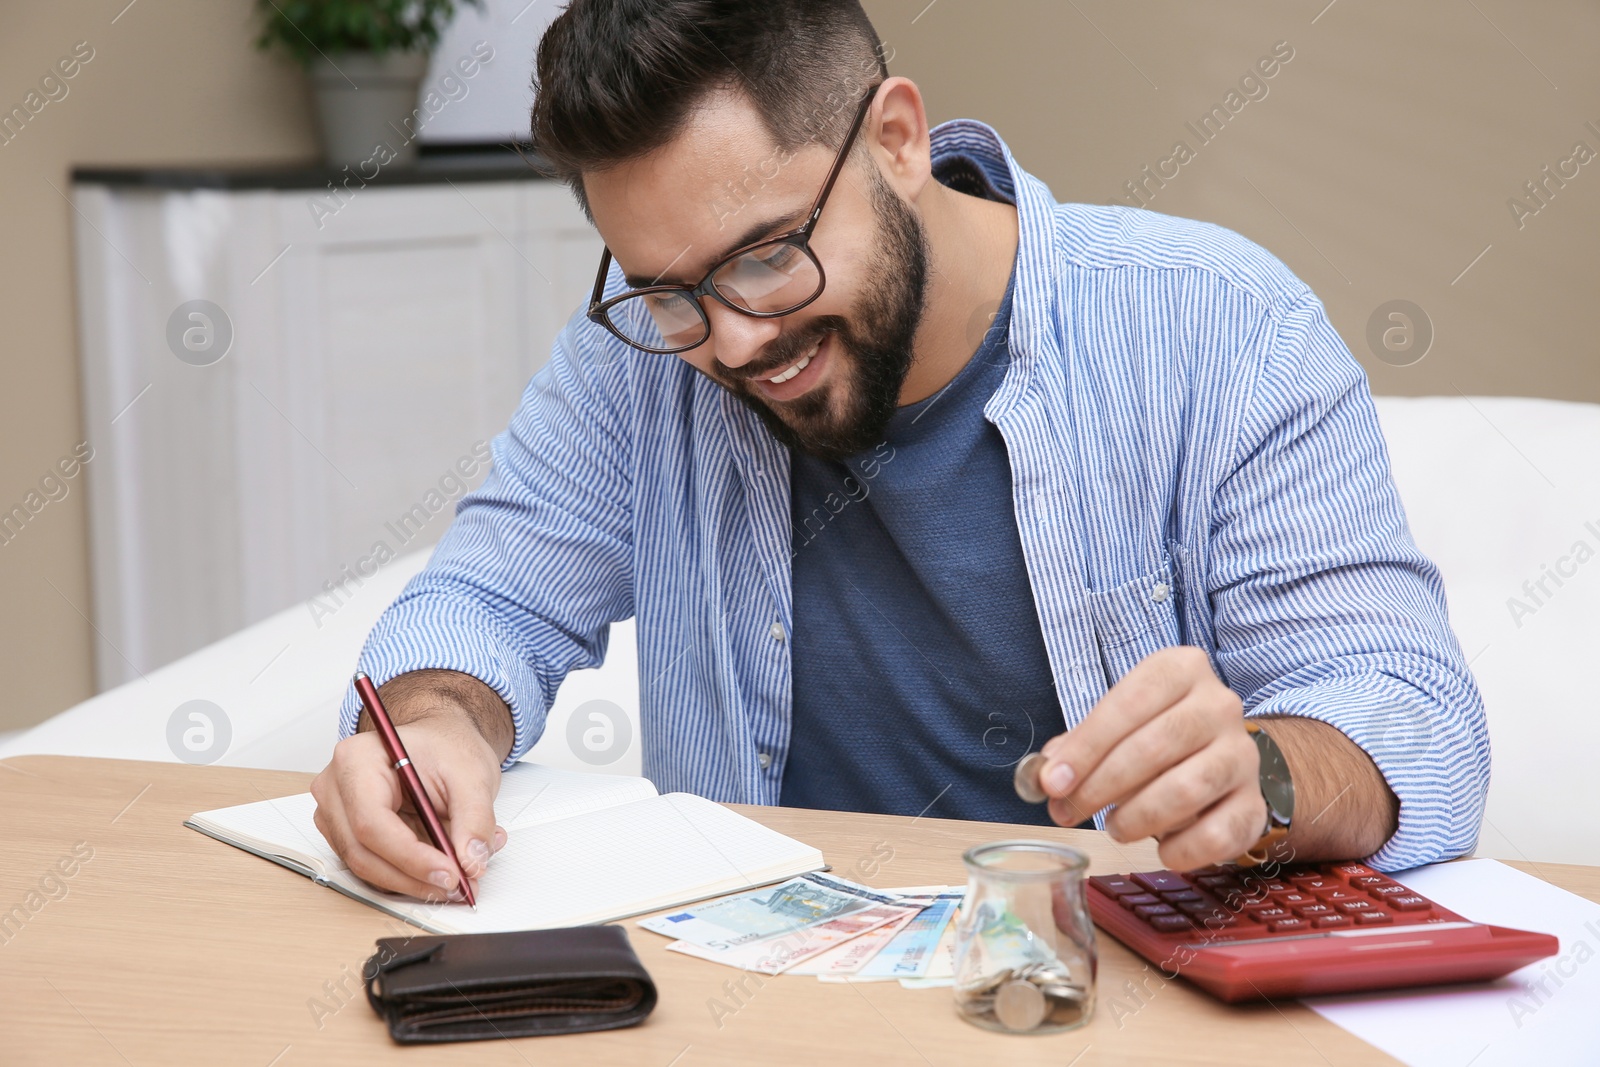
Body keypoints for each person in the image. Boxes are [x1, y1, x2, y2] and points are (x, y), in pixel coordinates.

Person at [310, 0, 1488, 904]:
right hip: (754, 1001)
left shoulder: (1224, 328)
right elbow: (485, 601)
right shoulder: (635, 355)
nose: (732, 339)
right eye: (666, 291)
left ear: (896, 139)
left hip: (1104, 1000)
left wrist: (1262, 776)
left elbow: (1411, 713)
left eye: (767, 256)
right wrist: (428, 725)